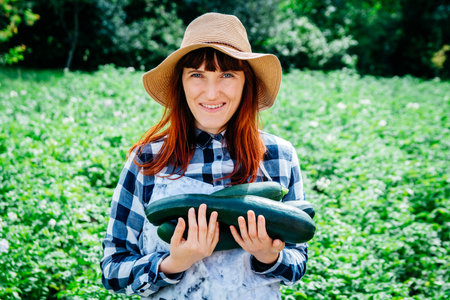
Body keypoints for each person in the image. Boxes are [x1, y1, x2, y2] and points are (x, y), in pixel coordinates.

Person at [100, 12, 308, 299]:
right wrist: (174, 263)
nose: (211, 93)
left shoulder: (278, 157)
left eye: (227, 74)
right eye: (197, 74)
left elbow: (299, 261)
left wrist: (269, 257)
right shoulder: (147, 159)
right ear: (181, 83)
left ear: (246, 83)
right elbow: (112, 270)